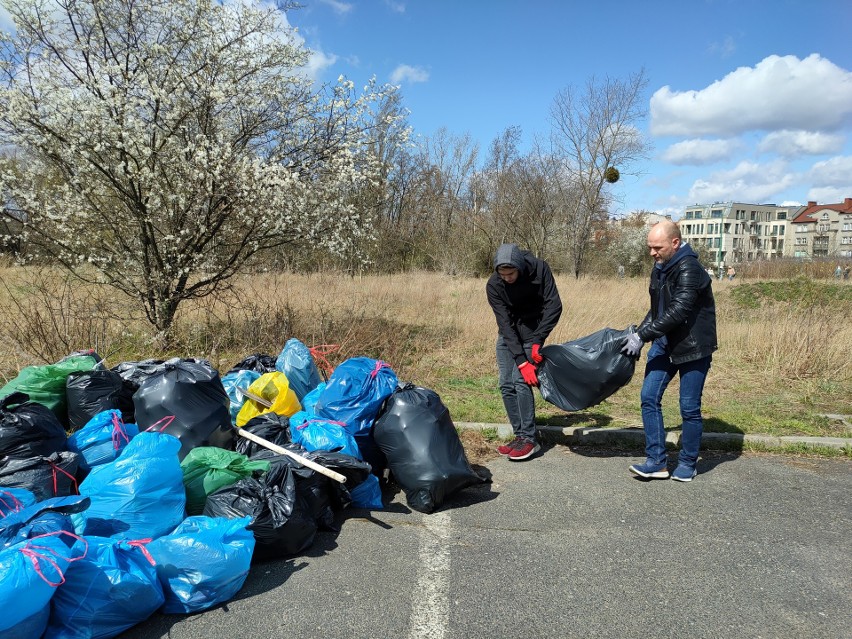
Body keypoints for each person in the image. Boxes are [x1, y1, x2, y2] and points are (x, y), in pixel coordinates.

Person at [621, 221, 717, 482]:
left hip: (693, 348)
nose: (652, 253)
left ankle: (687, 462)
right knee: (648, 398)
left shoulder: (690, 269)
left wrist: (643, 336)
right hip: (664, 344)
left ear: (675, 243)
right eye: (650, 247)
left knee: (689, 407)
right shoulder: (660, 266)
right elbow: (657, 309)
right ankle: (657, 462)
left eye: (657, 247)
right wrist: (638, 333)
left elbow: (678, 311)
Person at [486, 243, 562, 461]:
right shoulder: (494, 285)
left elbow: (554, 305)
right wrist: (521, 360)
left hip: (532, 332)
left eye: (510, 274)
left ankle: (530, 440)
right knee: (506, 383)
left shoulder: (539, 269)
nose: (507, 278)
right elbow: (504, 322)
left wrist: (538, 340)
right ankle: (519, 435)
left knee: (521, 382)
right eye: (503, 275)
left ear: (519, 267)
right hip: (508, 333)